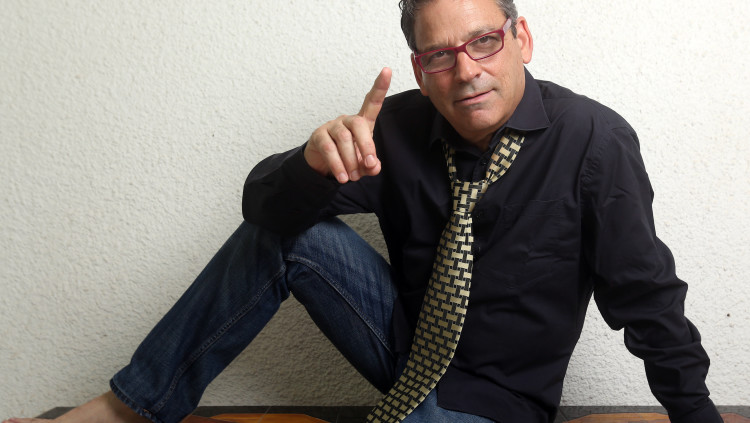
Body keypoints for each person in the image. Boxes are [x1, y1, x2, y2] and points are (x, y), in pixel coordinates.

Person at [4, 0, 723, 422]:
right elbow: (263, 211)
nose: (466, 70)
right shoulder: (398, 127)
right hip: (405, 353)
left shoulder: (594, 139)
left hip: (498, 403)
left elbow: (646, 298)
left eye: (483, 41)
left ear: (521, 38)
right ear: (419, 70)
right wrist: (308, 166)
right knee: (294, 228)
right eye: (440, 55)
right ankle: (130, 406)